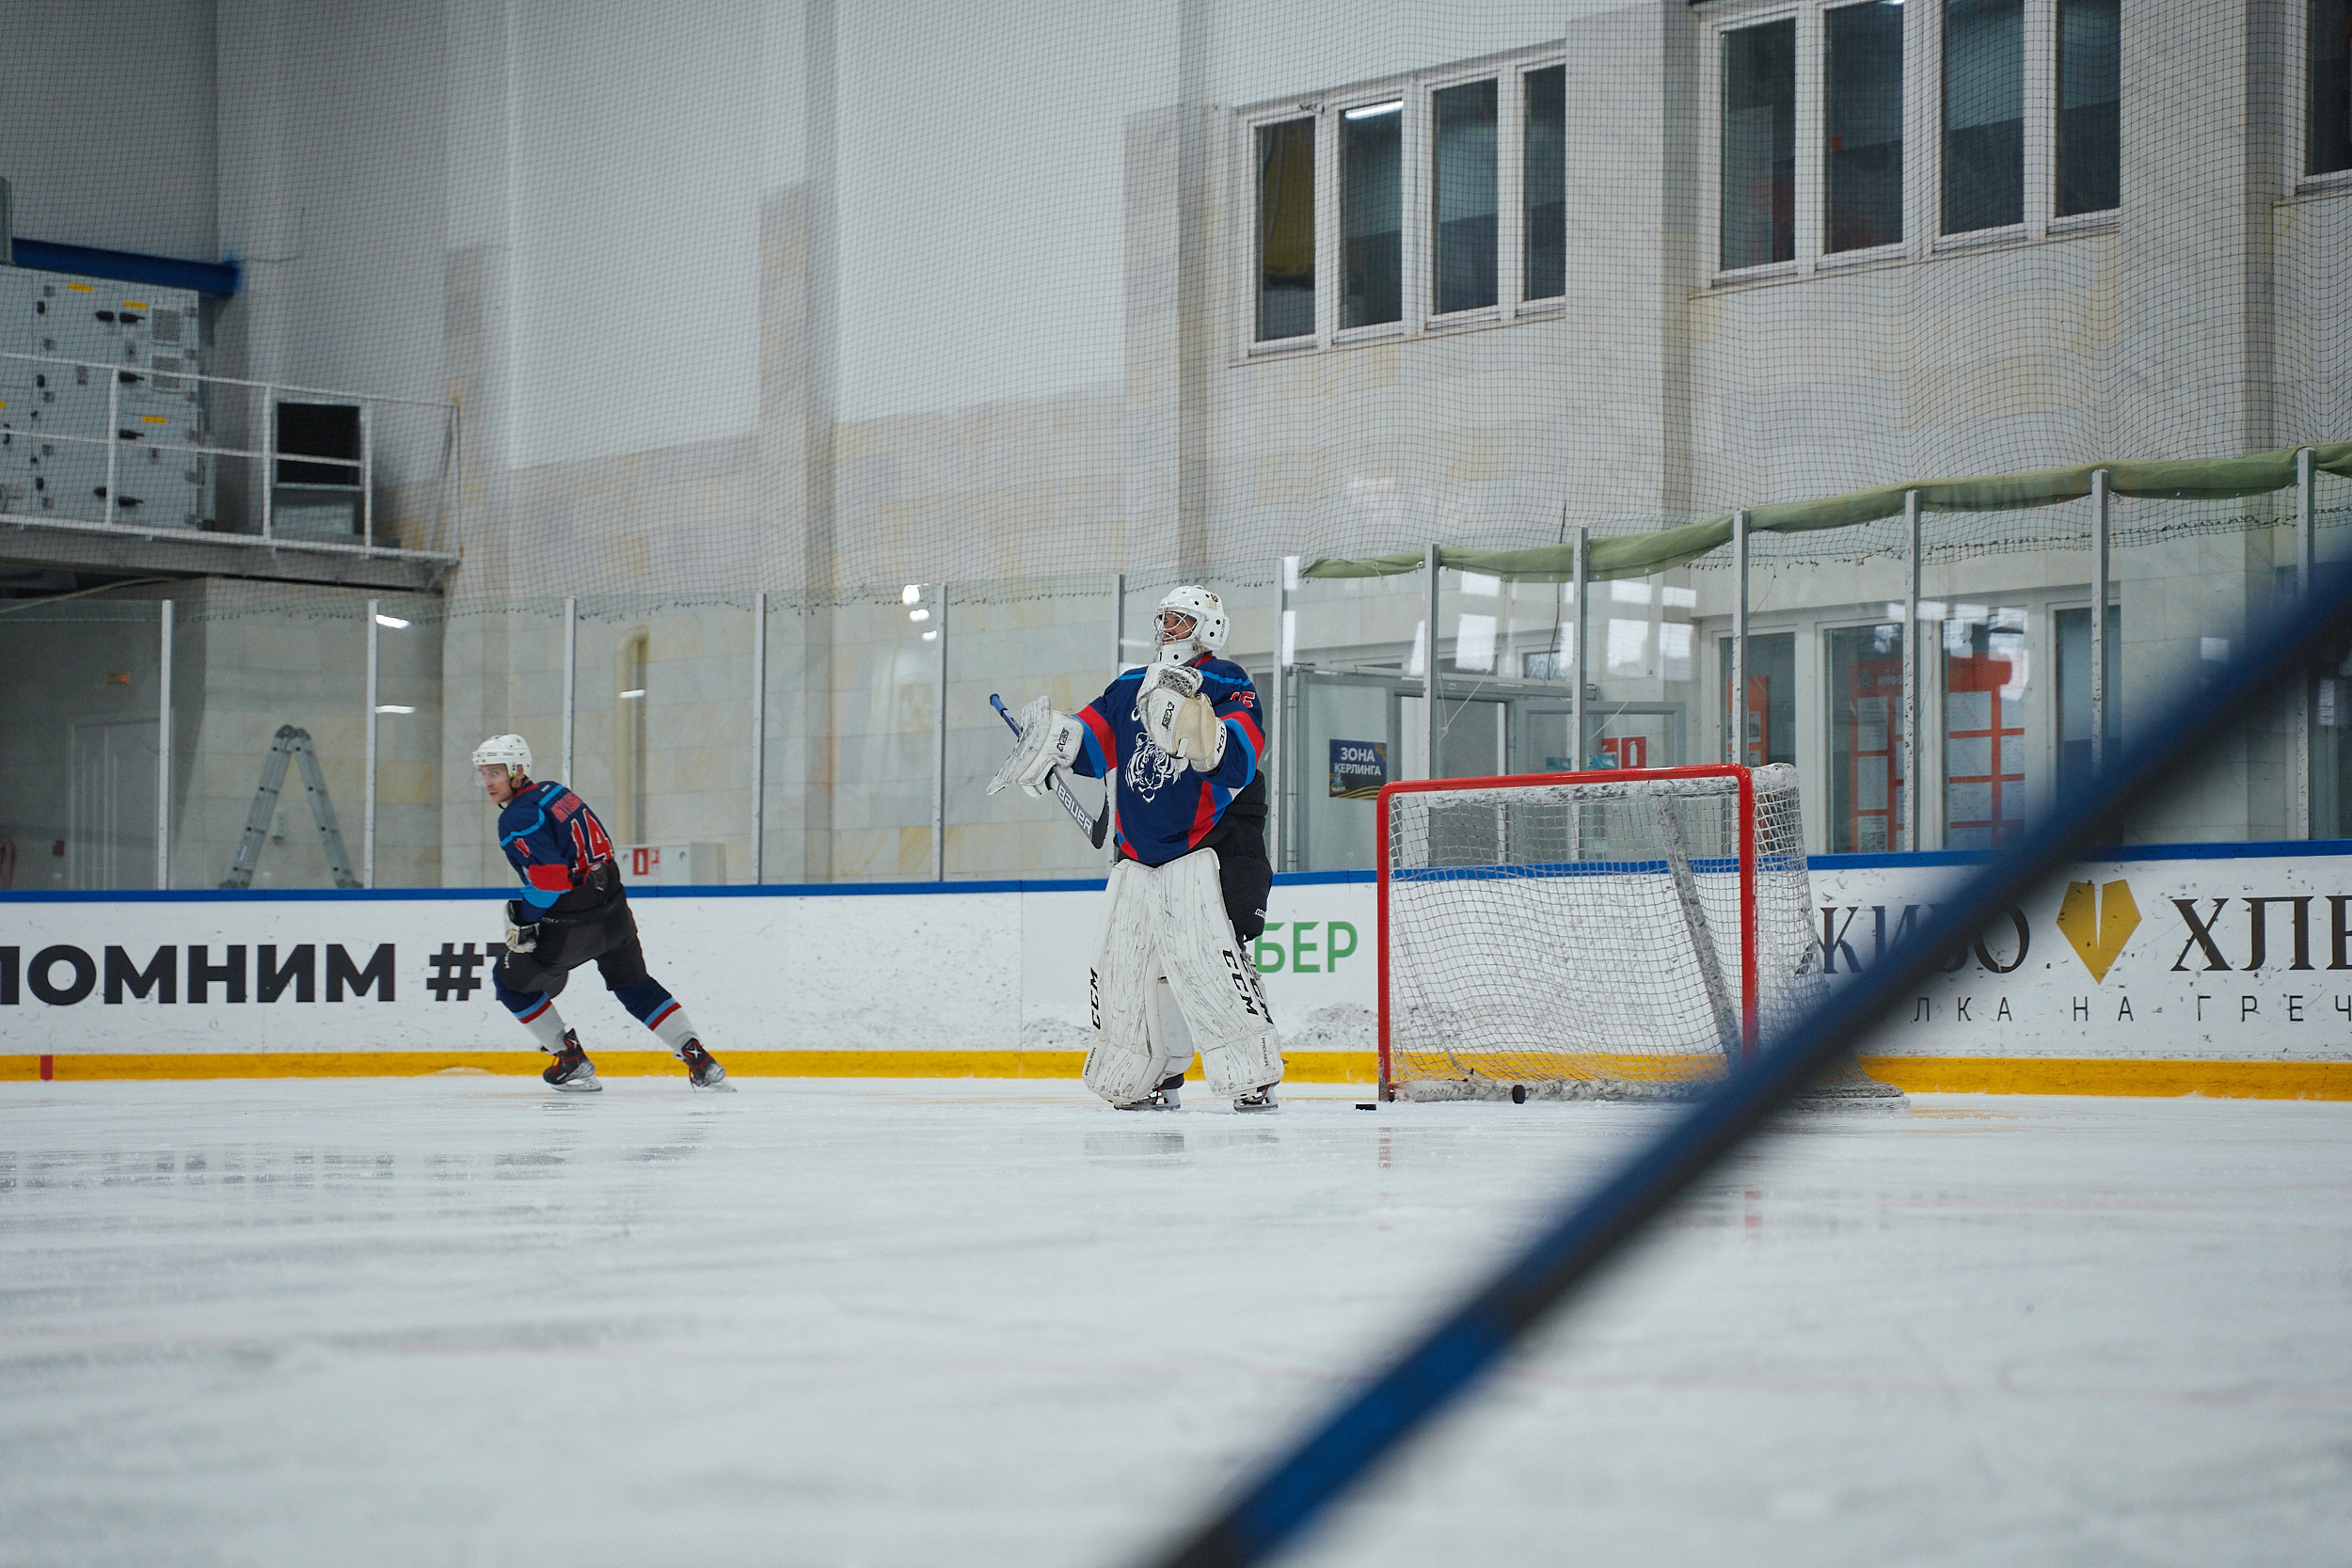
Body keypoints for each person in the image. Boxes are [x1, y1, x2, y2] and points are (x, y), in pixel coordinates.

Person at [990, 587, 1281, 1112]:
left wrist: (1204, 734)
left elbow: (1241, 758)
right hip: (1137, 856)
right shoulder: (1129, 686)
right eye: (1164, 618)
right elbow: (1091, 743)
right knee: (1124, 971)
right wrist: (1053, 743)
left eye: (1181, 620)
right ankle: (1148, 1076)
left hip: (1208, 847)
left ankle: (1251, 1076)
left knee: (1208, 965)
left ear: (1209, 628)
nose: (1168, 628)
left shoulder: (1226, 680)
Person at [471, 734, 729, 1092]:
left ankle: (570, 1058)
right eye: (483, 774)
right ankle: (699, 1058)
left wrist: (525, 918)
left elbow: (550, 882)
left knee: (509, 982)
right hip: (613, 909)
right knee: (635, 986)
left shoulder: (515, 817)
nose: (487, 782)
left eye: (495, 773)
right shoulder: (556, 792)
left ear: (517, 771)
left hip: (572, 923)